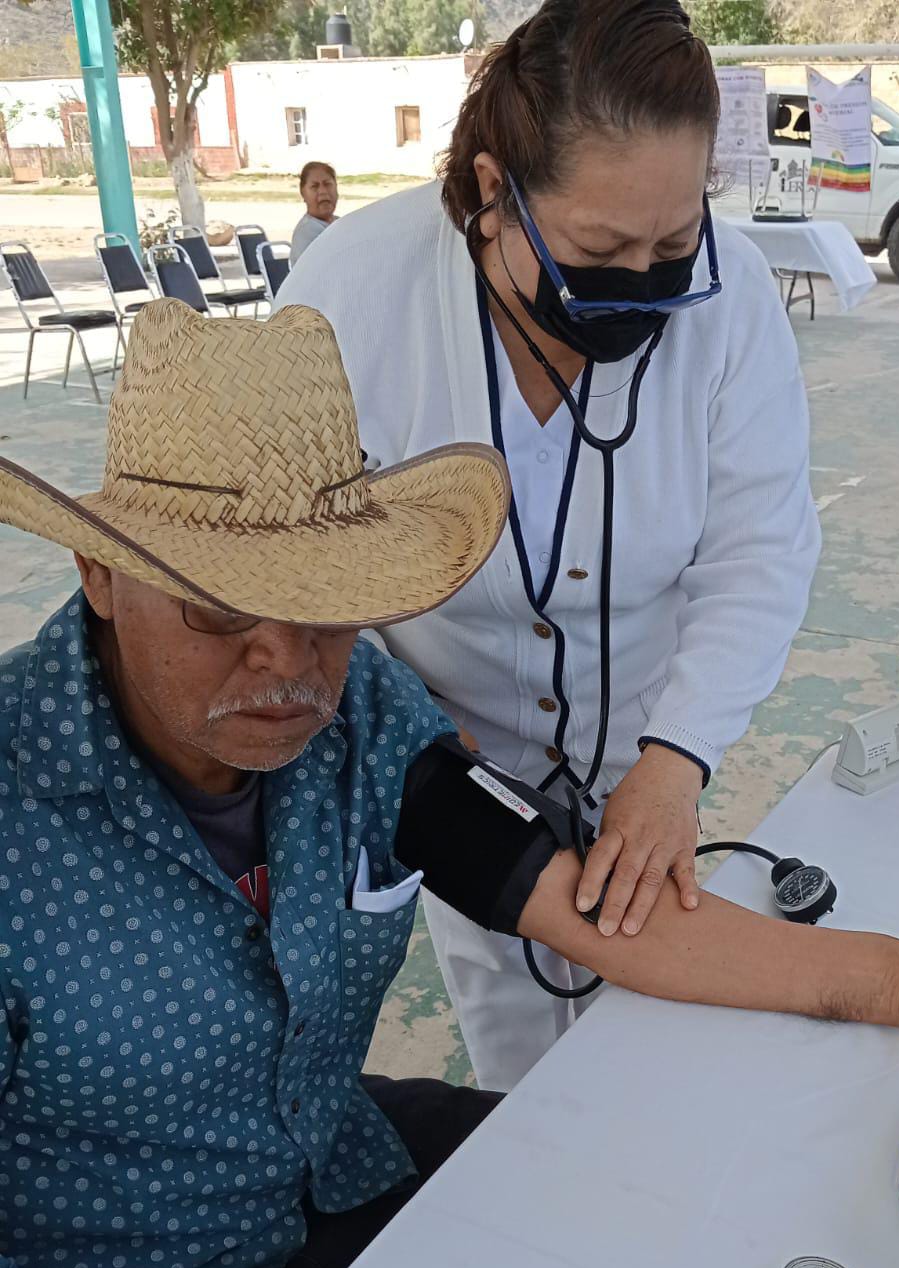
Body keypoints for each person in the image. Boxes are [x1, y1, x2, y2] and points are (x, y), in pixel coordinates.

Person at [0, 300, 899, 1268]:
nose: (285, 664)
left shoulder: (358, 723)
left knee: (669, 1213)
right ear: (100, 573)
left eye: (326, 608)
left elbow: (585, 901)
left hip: (334, 1168)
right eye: (218, 609)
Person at [277, 0, 823, 1090]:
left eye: (674, 243)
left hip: (649, 735)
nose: (646, 278)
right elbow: (296, 569)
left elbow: (759, 549)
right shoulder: (354, 295)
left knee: (657, 1039)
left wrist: (675, 761)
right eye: (601, 249)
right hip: (449, 740)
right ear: (494, 192)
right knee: (514, 1054)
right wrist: (410, 738)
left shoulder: (732, 304)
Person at [291, 161, 339, 262]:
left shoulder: (343, 224)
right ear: (303, 193)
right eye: (314, 186)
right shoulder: (306, 233)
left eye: (327, 184)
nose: (323, 191)